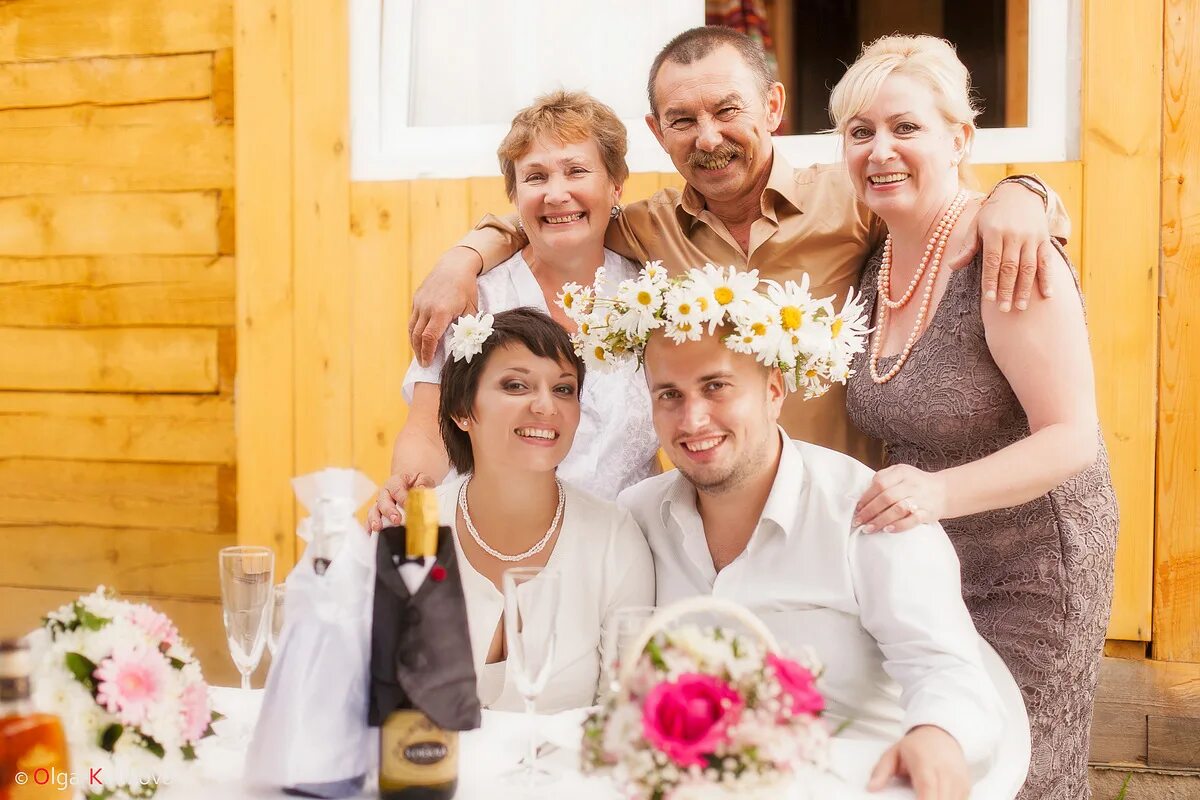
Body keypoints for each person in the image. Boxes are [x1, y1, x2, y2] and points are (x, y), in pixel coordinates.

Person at [407, 25, 1069, 467]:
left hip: (848, 511)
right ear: (656, 132)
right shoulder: (644, 229)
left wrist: (1026, 195)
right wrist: (464, 256)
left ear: (772, 106)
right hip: (713, 516)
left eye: (728, 110)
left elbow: (943, 208)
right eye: (682, 120)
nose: (708, 137)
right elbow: (555, 212)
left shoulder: (853, 197)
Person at [584, 271, 1003, 800]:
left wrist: (937, 735)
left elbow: (946, 668)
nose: (692, 419)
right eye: (669, 394)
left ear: (774, 390)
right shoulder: (638, 516)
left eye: (716, 386)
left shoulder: (867, 512)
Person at [832, 36, 1118, 799]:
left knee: (1012, 768)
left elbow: (1071, 438)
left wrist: (934, 494)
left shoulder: (1009, 256)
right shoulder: (876, 256)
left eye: (905, 127)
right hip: (923, 565)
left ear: (958, 138)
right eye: (859, 133)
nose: (879, 150)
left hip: (1032, 564)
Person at [368, 90, 659, 531]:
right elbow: (430, 428)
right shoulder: (472, 298)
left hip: (632, 545)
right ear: (515, 194)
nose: (556, 193)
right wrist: (415, 485)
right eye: (535, 177)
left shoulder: (652, 292)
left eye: (576, 171)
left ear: (616, 185)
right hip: (505, 541)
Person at [420, 307, 654, 712]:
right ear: (461, 410)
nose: (547, 406)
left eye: (564, 389)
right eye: (515, 385)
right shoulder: (410, 529)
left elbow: (625, 712)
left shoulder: (614, 540)